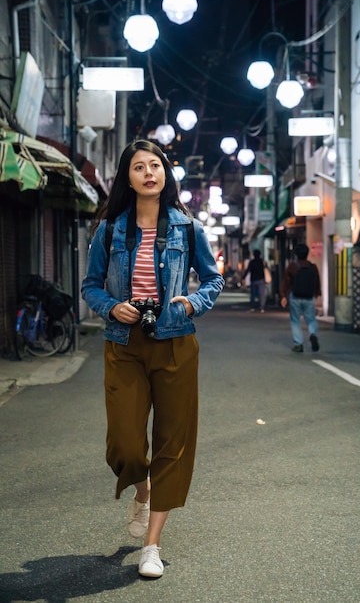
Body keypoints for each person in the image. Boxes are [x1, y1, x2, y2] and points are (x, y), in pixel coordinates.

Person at [81, 139, 224, 579]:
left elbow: (213, 279)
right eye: (139, 166)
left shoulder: (187, 228)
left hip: (176, 342)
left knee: (172, 444)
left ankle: (152, 544)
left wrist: (192, 303)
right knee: (124, 442)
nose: (148, 172)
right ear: (128, 176)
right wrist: (111, 306)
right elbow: (90, 286)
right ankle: (141, 489)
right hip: (124, 344)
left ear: (166, 174)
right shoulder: (109, 230)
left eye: (155, 165)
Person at [280, 243, 321, 352]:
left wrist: (284, 295)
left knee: (295, 320)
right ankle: (312, 333)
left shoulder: (293, 266)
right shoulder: (313, 267)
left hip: (296, 297)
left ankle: (298, 344)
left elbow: (286, 282)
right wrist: (316, 293)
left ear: (296, 254)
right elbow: (317, 282)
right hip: (309, 297)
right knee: (311, 319)